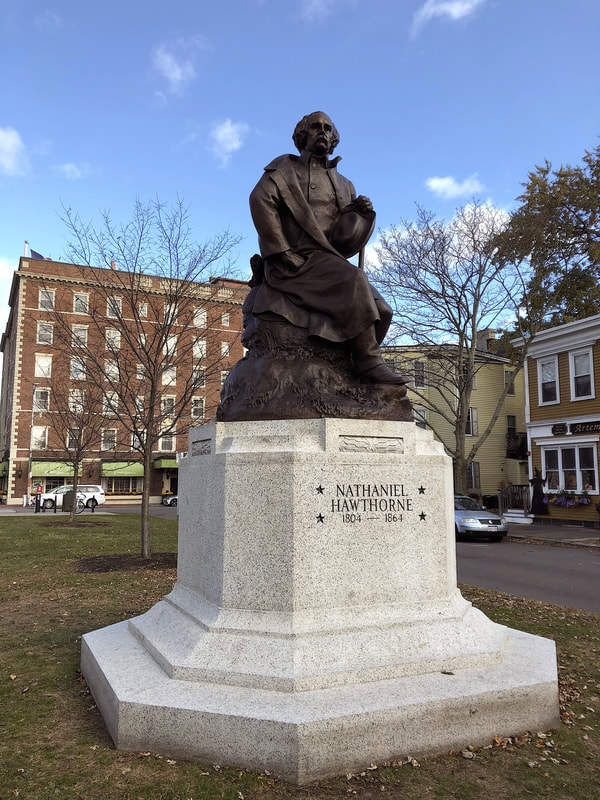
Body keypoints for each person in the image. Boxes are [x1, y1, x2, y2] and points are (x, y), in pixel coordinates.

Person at [248, 111, 407, 385]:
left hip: (327, 261)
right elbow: (260, 201)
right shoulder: (282, 171)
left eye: (327, 128)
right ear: (302, 135)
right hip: (295, 261)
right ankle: (369, 363)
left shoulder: (345, 185)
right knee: (356, 279)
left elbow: (341, 241)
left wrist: (357, 216)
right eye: (315, 127)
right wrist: (283, 252)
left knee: (383, 312)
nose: (322, 131)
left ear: (333, 137)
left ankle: (351, 364)